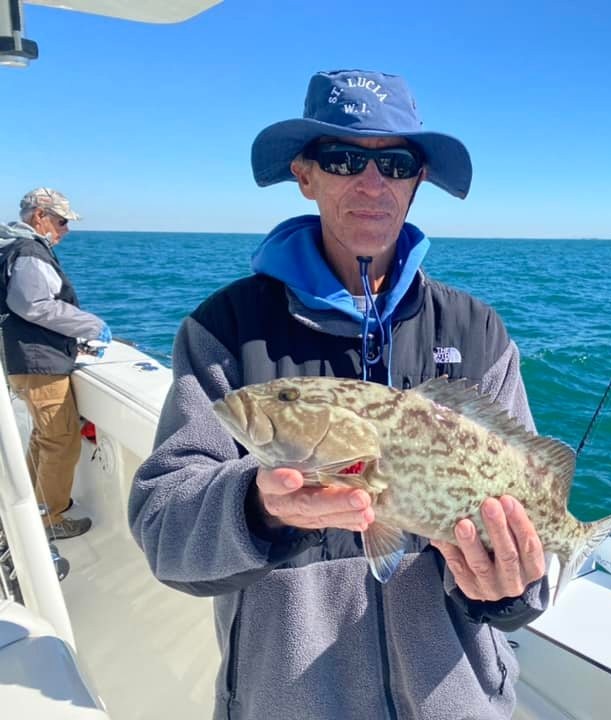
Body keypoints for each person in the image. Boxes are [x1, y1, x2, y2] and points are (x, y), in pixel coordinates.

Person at [129, 69, 549, 719]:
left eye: (397, 162)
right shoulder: (224, 331)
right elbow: (165, 528)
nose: (371, 182)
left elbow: (528, 544)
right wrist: (256, 506)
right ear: (305, 174)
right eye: (344, 157)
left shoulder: (478, 332)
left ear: (419, 180)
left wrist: (509, 591)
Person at [0, 188, 112, 540]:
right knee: (61, 442)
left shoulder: (12, 247)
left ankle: (34, 512)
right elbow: (32, 304)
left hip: (27, 360)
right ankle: (49, 522)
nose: (65, 229)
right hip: (39, 362)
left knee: (44, 438)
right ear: (39, 216)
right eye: (61, 221)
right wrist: (90, 325)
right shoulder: (30, 251)